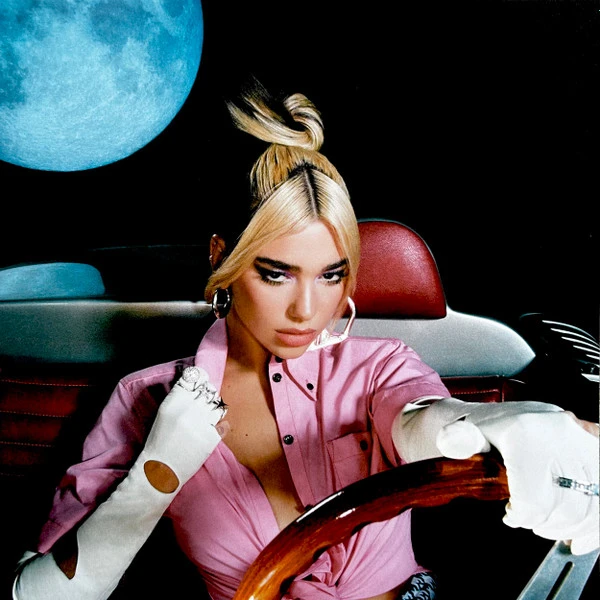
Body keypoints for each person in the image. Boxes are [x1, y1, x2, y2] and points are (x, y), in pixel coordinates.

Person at [12, 81, 599, 600]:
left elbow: (418, 418)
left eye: (331, 275)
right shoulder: (144, 399)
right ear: (222, 259)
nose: (307, 309)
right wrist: (156, 476)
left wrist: (484, 428)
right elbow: (41, 594)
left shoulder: (379, 367)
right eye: (276, 274)